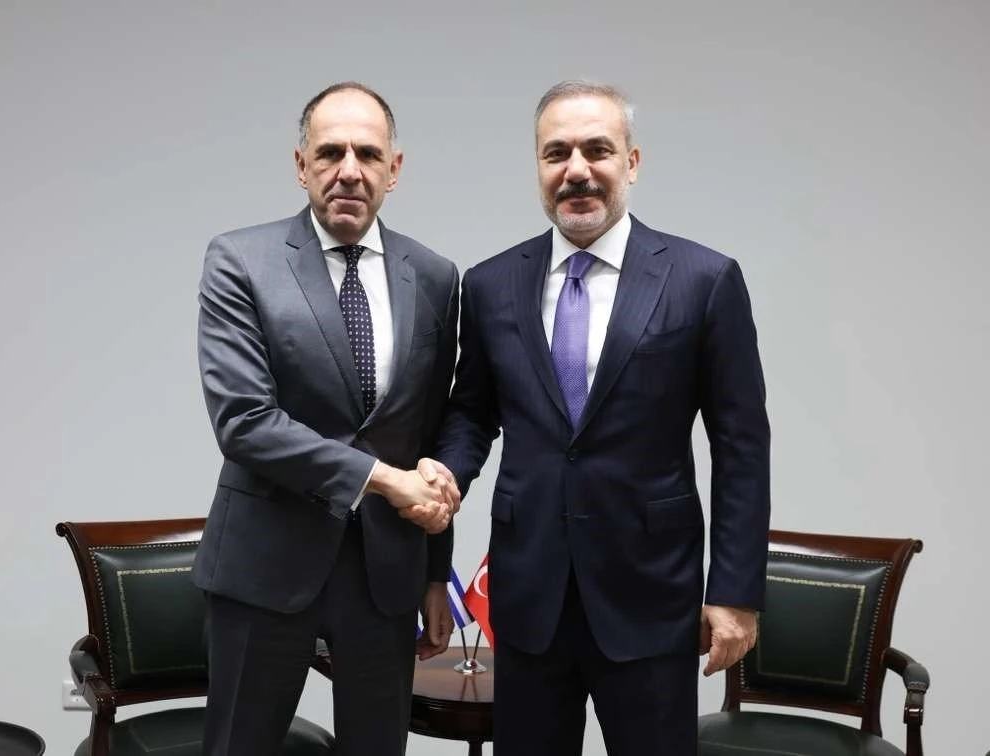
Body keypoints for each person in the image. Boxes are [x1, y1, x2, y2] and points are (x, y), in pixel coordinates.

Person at [424, 80, 771, 755]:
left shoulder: (703, 280)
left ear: (631, 162)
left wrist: (734, 592)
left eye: (597, 150)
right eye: (556, 153)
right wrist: (446, 477)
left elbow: (742, 447)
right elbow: (470, 414)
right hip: (528, 596)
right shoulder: (491, 284)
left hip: (651, 596)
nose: (576, 170)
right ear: (538, 167)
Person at [192, 81, 461, 756]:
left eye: (367, 154)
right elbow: (245, 422)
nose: (349, 170)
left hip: (386, 575)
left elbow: (429, 432)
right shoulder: (240, 260)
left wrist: (436, 574)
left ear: (394, 169)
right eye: (330, 152)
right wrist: (384, 479)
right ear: (301, 164)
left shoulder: (435, 277)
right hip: (265, 565)